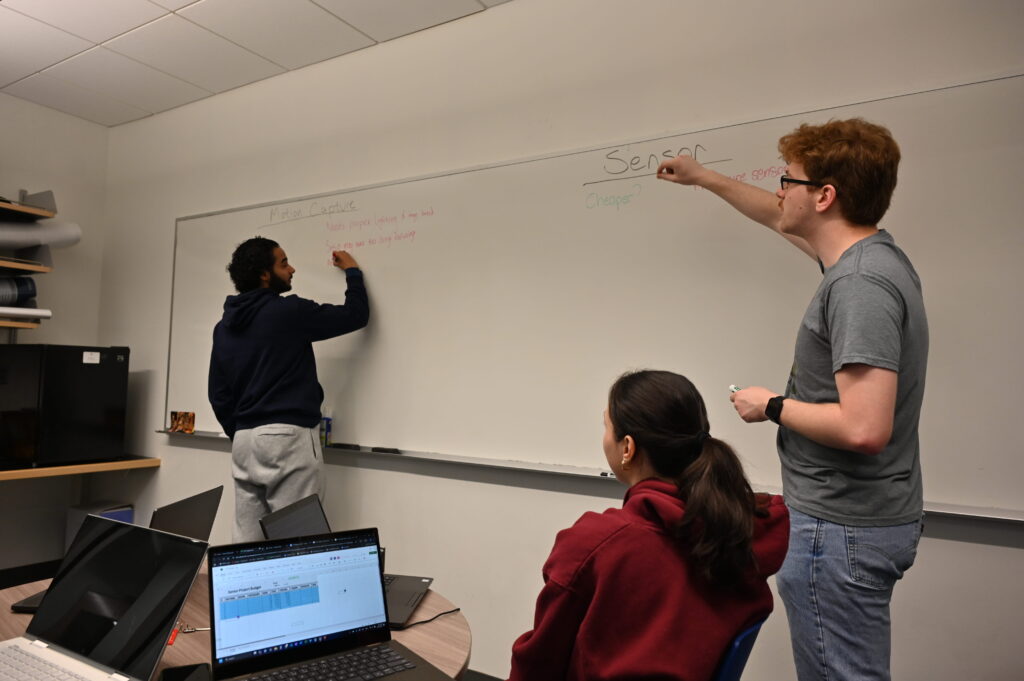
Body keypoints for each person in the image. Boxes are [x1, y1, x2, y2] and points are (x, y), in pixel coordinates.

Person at [657, 118, 927, 681]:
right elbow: (776, 216)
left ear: (825, 196)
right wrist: (704, 177)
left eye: (790, 180)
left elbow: (864, 427)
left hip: (841, 529)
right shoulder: (867, 258)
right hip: (852, 521)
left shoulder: (860, 285)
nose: (780, 189)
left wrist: (771, 405)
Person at [508, 370, 789, 681]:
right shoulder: (746, 525)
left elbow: (537, 665)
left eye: (606, 426)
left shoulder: (596, 544)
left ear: (627, 448)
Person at [208, 237, 369, 541]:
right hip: (287, 440)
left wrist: (244, 430)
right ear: (264, 274)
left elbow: (218, 394)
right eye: (284, 263)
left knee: (246, 543)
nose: (292, 269)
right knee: (297, 542)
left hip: (244, 441)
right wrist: (353, 273)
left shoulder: (223, 327)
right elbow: (355, 315)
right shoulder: (288, 312)